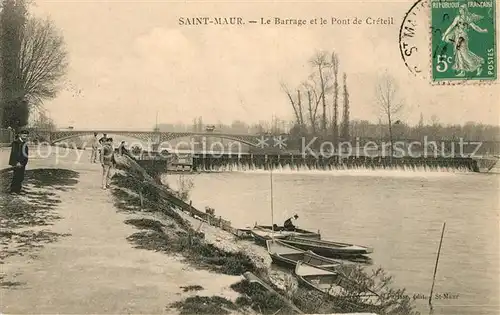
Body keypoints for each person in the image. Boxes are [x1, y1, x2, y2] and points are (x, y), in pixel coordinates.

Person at [8, 129, 29, 194]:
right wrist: (17, 162)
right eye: (23, 134)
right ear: (20, 135)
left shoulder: (24, 142)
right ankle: (13, 190)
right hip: (18, 162)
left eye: (26, 135)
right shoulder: (16, 142)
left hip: (22, 163)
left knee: (21, 176)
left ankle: (18, 190)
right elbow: (14, 153)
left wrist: (24, 162)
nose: (25, 136)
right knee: (16, 176)